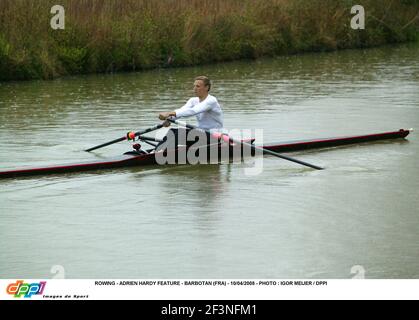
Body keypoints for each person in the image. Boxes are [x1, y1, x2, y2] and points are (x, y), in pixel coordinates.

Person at [158, 76, 224, 131]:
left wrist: (169, 113)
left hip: (215, 134)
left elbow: (193, 111)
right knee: (173, 132)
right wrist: (170, 119)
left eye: (198, 86)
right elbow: (182, 111)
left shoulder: (211, 101)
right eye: (194, 86)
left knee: (178, 133)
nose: (194, 89)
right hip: (201, 132)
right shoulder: (193, 100)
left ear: (206, 87)